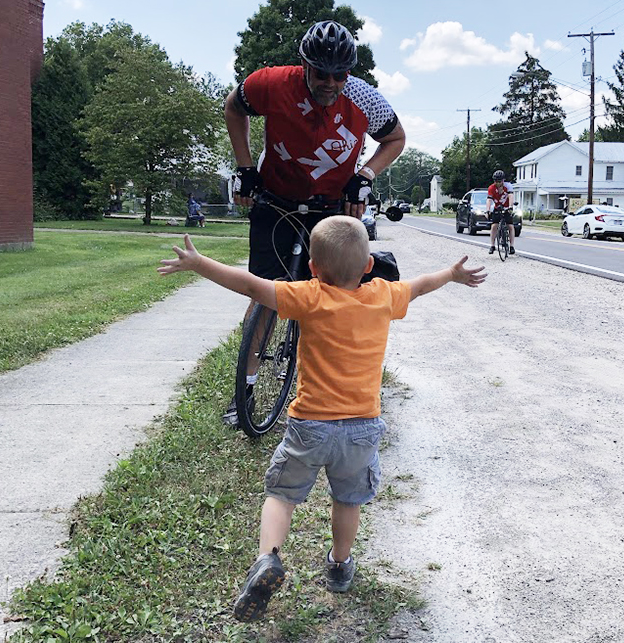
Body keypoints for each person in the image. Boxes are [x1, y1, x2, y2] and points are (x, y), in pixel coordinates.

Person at [157, 217, 487, 622]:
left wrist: (199, 262)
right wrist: (452, 273)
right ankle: (339, 564)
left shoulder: (309, 297)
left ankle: (267, 558)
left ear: (313, 268)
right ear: (368, 265)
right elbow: (419, 286)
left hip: (309, 424)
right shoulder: (383, 296)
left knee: (282, 494)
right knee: (348, 499)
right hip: (362, 428)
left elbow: (249, 286)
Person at [221, 19, 406, 426]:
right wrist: (245, 167)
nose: (330, 82)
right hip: (276, 197)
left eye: (340, 74)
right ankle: (246, 390)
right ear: (305, 65)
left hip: (331, 207)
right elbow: (233, 106)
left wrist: (366, 176)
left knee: (340, 295)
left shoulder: (363, 99)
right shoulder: (271, 83)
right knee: (267, 296)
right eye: (321, 73)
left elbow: (396, 139)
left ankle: (344, 384)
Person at [486, 169, 515, 255]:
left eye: (500, 181)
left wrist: (510, 207)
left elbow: (511, 196)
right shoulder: (491, 188)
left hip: (507, 207)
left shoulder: (508, 186)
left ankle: (512, 246)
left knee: (510, 226)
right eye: (496, 181)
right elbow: (489, 200)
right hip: (497, 208)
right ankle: (492, 245)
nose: (498, 183)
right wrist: (487, 210)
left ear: (503, 180)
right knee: (494, 225)